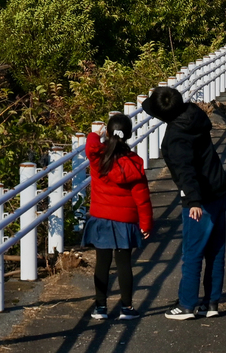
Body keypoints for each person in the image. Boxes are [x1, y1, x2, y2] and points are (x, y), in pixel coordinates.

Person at [141, 85, 226, 321]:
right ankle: (211, 302)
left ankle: (187, 304)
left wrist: (194, 201)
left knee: (192, 251)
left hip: (200, 198)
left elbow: (185, 171)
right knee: (216, 250)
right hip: (219, 187)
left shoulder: (175, 138)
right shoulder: (193, 114)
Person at [82, 112, 154, 321]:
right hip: (125, 221)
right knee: (124, 264)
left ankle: (100, 307)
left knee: (102, 264)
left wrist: (95, 134)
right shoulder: (134, 163)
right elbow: (142, 198)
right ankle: (127, 307)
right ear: (129, 135)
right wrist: (146, 224)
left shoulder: (99, 157)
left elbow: (91, 146)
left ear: (108, 132)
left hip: (101, 218)